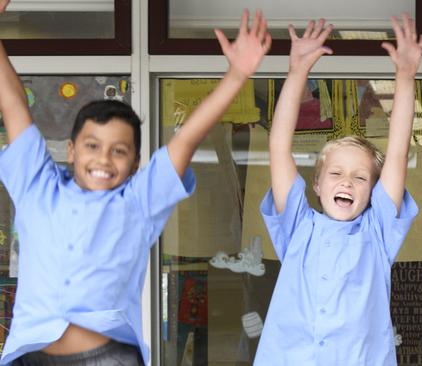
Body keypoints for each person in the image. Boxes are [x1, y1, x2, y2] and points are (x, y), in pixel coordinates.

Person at [0, 3, 271, 364]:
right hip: (29, 354)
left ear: (135, 163)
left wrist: (236, 76)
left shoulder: (138, 201)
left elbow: (187, 139)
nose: (103, 159)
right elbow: (15, 106)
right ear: (71, 149)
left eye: (119, 151)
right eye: (92, 146)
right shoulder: (37, 186)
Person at [255, 14, 422, 365]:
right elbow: (278, 148)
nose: (347, 182)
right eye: (336, 173)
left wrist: (405, 77)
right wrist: (297, 71)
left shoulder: (377, 232)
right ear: (316, 184)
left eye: (361, 178)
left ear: (374, 192)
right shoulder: (298, 226)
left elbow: (397, 153)